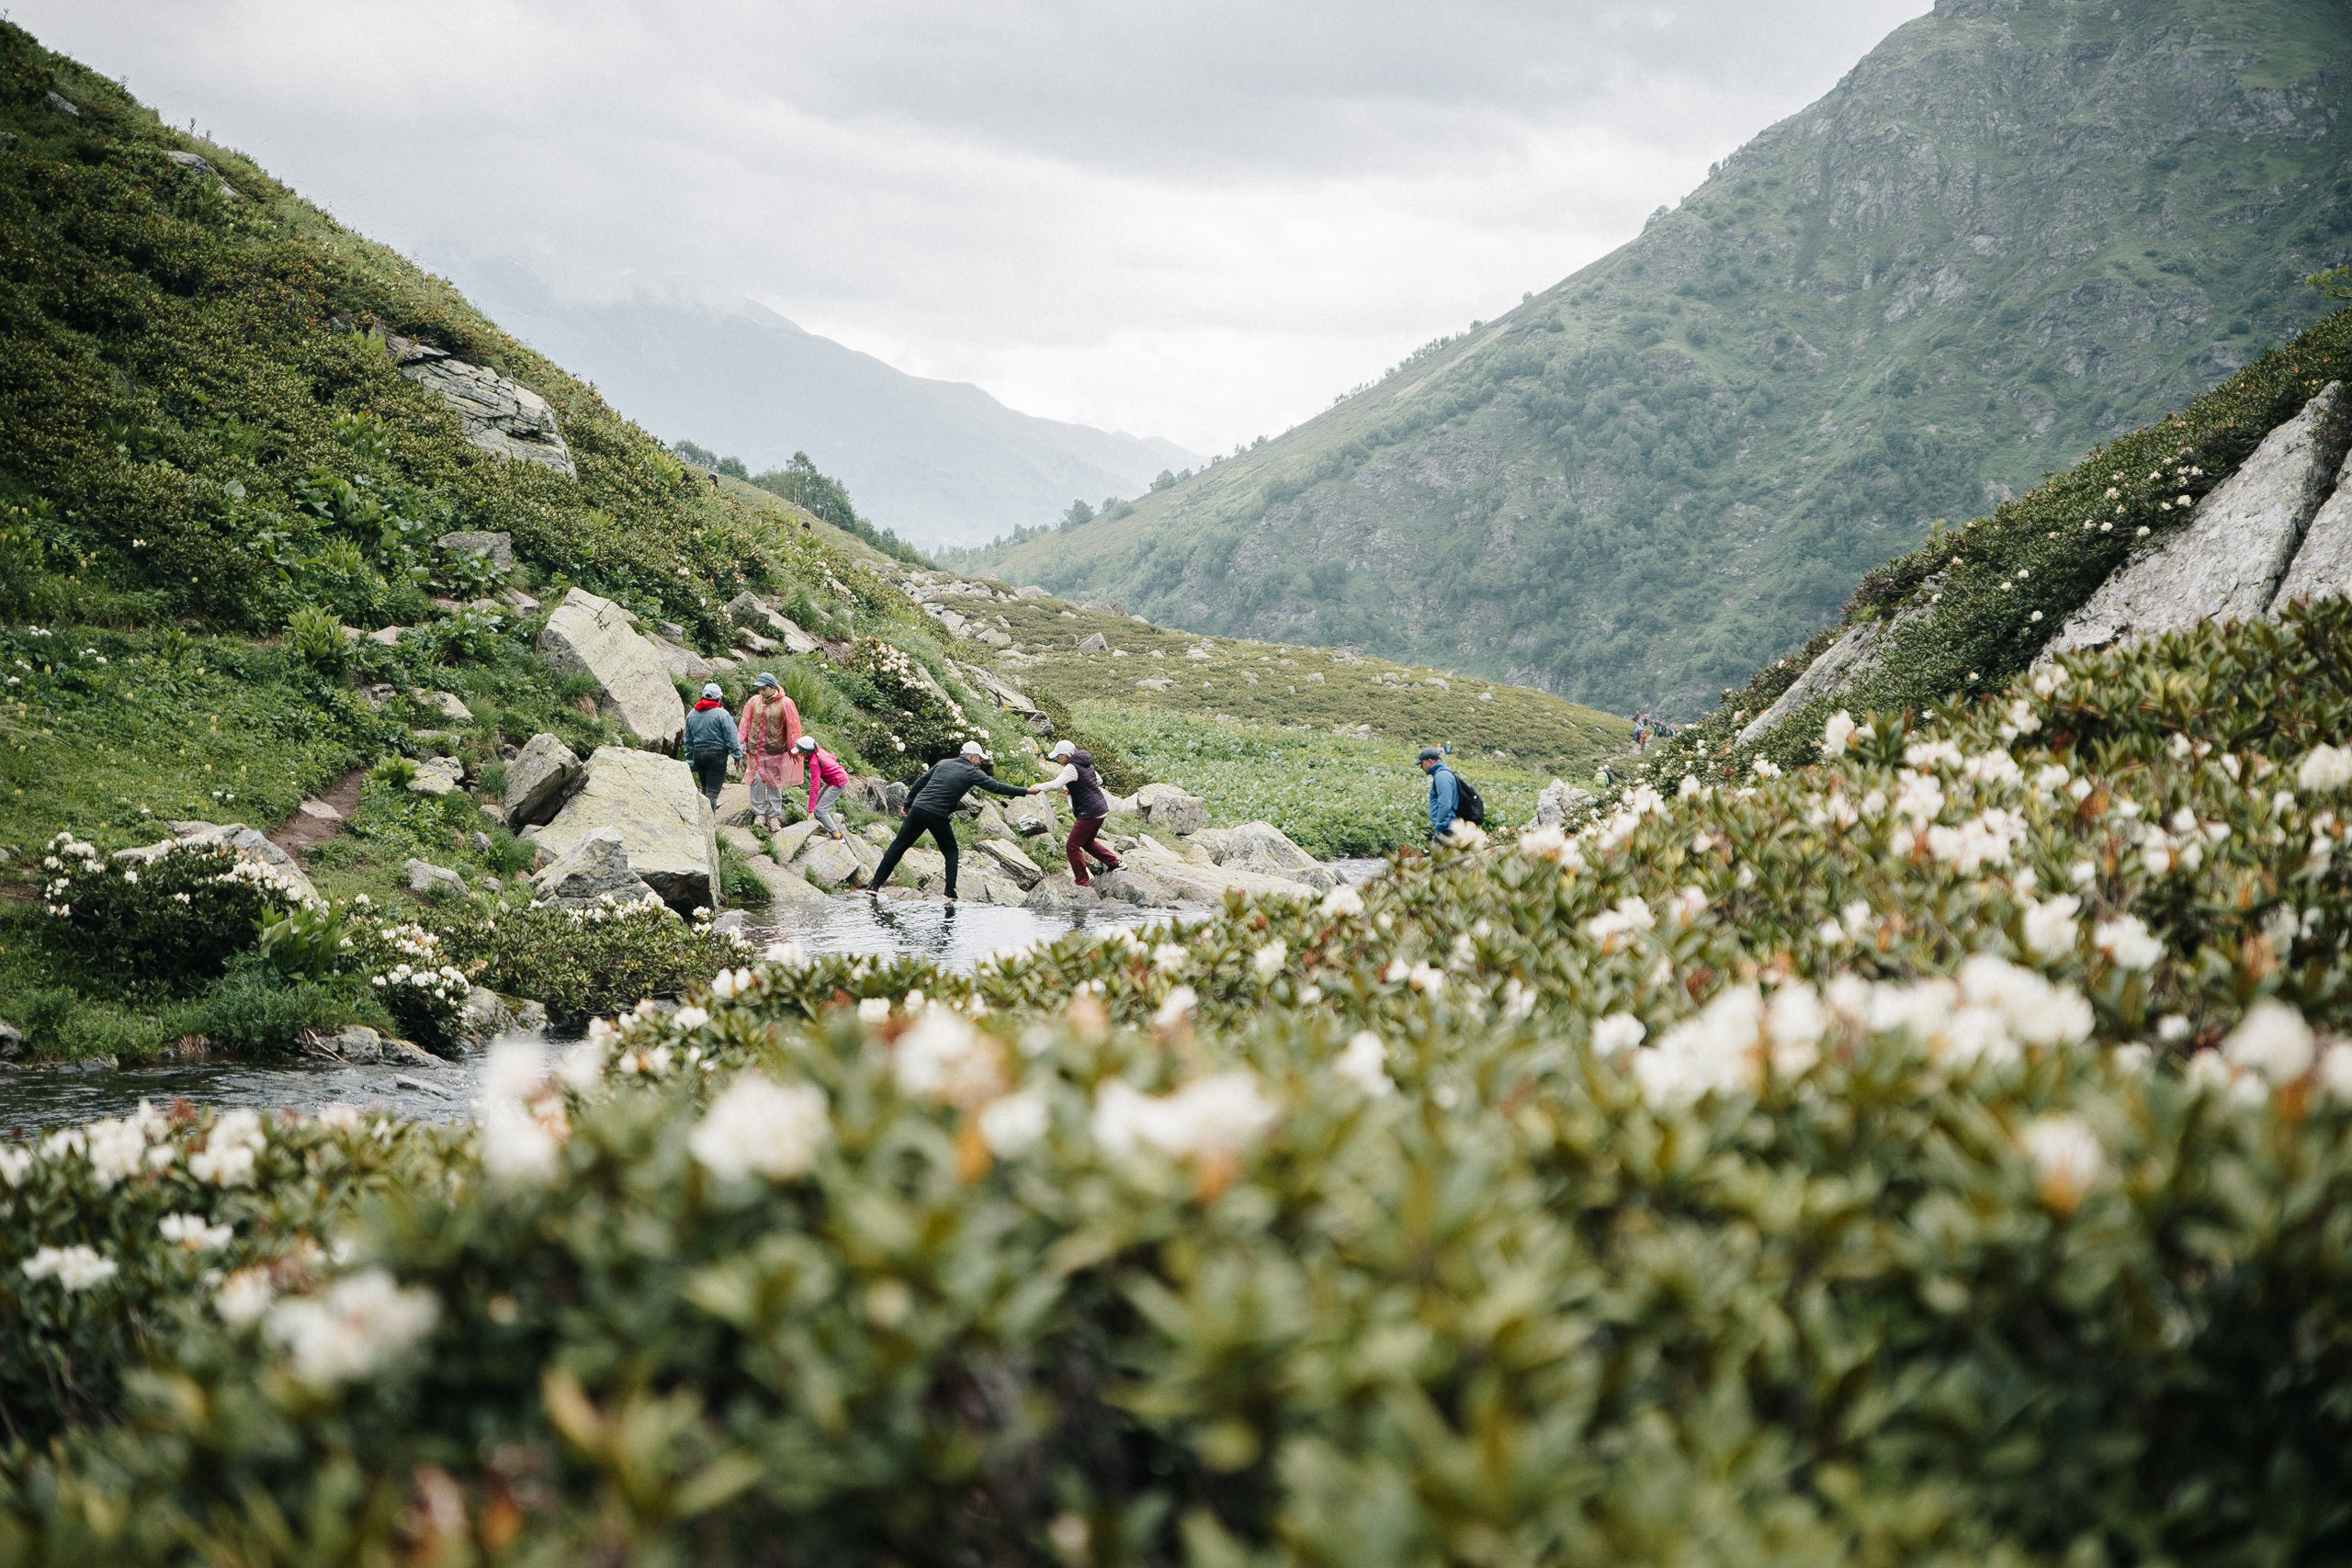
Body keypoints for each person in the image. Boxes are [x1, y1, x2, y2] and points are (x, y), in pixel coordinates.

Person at [854, 739, 1028, 899]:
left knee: (898, 846)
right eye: (979, 758)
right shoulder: (972, 772)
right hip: (937, 815)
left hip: (919, 809)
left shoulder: (943, 763)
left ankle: (874, 886)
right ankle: (949, 892)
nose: (981, 762)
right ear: (972, 756)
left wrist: (907, 803)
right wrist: (1025, 791)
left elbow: (920, 782)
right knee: (951, 852)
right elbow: (996, 787)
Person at [1031, 738, 1123, 886]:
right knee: (1087, 842)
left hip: (1090, 812)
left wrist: (1038, 786)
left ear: (1066, 755)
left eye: (1059, 755)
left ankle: (1082, 880)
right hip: (1101, 809)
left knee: (1072, 846)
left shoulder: (1071, 767)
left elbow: (1055, 785)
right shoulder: (1086, 763)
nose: (1058, 758)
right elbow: (1098, 781)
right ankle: (1115, 863)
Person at [740, 672, 802, 830]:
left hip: (775, 750)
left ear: (772, 687)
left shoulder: (786, 703)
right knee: (756, 781)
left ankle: (774, 816)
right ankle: (759, 814)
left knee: (774, 782)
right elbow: (746, 721)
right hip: (755, 749)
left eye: (764, 688)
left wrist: (793, 747)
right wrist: (741, 741)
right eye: (759, 688)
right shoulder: (754, 701)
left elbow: (792, 726)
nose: (761, 691)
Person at [684, 682, 741, 808]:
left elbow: (688, 739)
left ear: (702, 696)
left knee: (704, 791)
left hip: (698, 755)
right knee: (712, 793)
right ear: (719, 698)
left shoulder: (691, 715)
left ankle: (702, 822)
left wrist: (689, 756)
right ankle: (709, 825)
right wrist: (737, 755)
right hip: (717, 756)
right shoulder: (722, 714)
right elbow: (731, 737)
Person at [796, 733, 850, 840]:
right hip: (834, 779)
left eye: (801, 752)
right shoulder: (819, 751)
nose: (800, 754)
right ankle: (825, 828)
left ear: (806, 752)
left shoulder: (814, 762)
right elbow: (833, 758)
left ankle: (837, 835)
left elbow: (815, 786)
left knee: (820, 810)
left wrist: (810, 810)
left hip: (838, 782)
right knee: (817, 807)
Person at [1419, 745, 1460, 842]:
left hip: (1447, 830)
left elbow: (1445, 805)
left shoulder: (1442, 776)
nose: (1421, 767)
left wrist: (1439, 829)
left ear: (1430, 761)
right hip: (1447, 828)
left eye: (1422, 763)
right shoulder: (1441, 774)